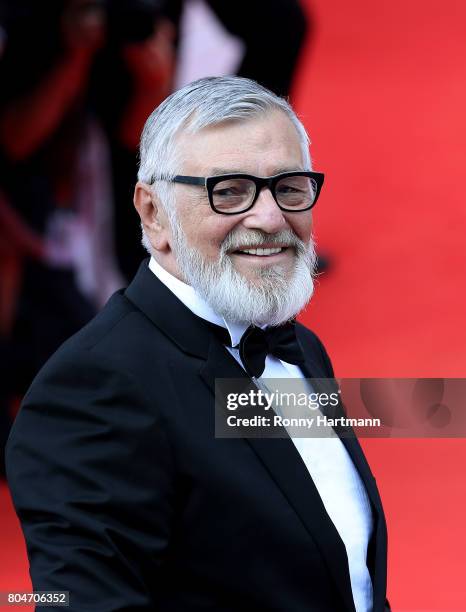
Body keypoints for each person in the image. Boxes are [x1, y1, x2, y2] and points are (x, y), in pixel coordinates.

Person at [6, 76, 388, 611]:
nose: (271, 218)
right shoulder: (92, 391)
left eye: (289, 187)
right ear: (152, 213)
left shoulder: (296, 344)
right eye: (229, 191)